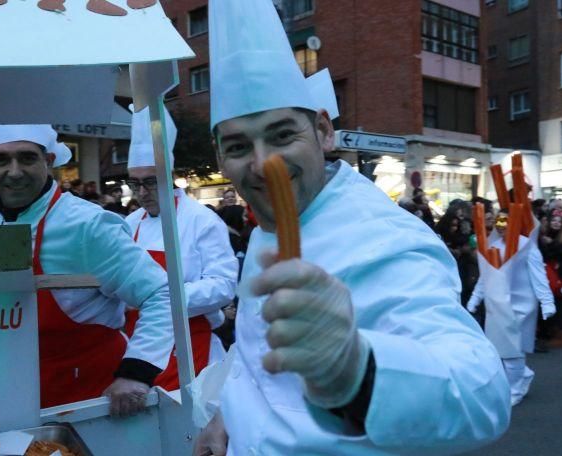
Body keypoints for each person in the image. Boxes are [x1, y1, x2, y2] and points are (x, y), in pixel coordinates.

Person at [195, 1, 510, 454]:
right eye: (240, 145)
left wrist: (355, 369)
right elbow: (255, 356)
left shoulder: (385, 240)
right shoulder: (268, 224)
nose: (264, 165)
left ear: (324, 130)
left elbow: (481, 394)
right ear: (220, 157)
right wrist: (227, 414)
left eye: (283, 135)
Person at [0, 124, 174, 416]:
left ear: (48, 161)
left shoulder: (87, 225)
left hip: (94, 402)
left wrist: (136, 372)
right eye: (1, 160)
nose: (14, 171)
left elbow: (162, 293)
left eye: (27, 158)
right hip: (22, 400)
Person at [124, 103, 238, 391]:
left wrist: (160, 299)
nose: (142, 192)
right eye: (135, 184)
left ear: (168, 175)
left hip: (190, 342)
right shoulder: (130, 222)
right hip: (138, 345)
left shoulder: (201, 220)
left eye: (150, 182)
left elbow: (224, 284)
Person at [467, 210, 556, 406]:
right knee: (499, 348)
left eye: (504, 220)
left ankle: (514, 389)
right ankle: (523, 374)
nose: (500, 225)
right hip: (497, 304)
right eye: (497, 220)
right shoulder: (494, 247)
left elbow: (539, 276)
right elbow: (486, 276)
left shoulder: (527, 247)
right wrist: (475, 298)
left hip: (521, 305)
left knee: (513, 349)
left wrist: (547, 301)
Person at [538, 209, 562, 348]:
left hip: (560, 275)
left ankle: (561, 335)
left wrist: (551, 243)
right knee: (548, 302)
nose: (556, 223)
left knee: (559, 304)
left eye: (559, 222)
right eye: (553, 220)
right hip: (548, 274)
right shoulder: (544, 235)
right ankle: (550, 331)